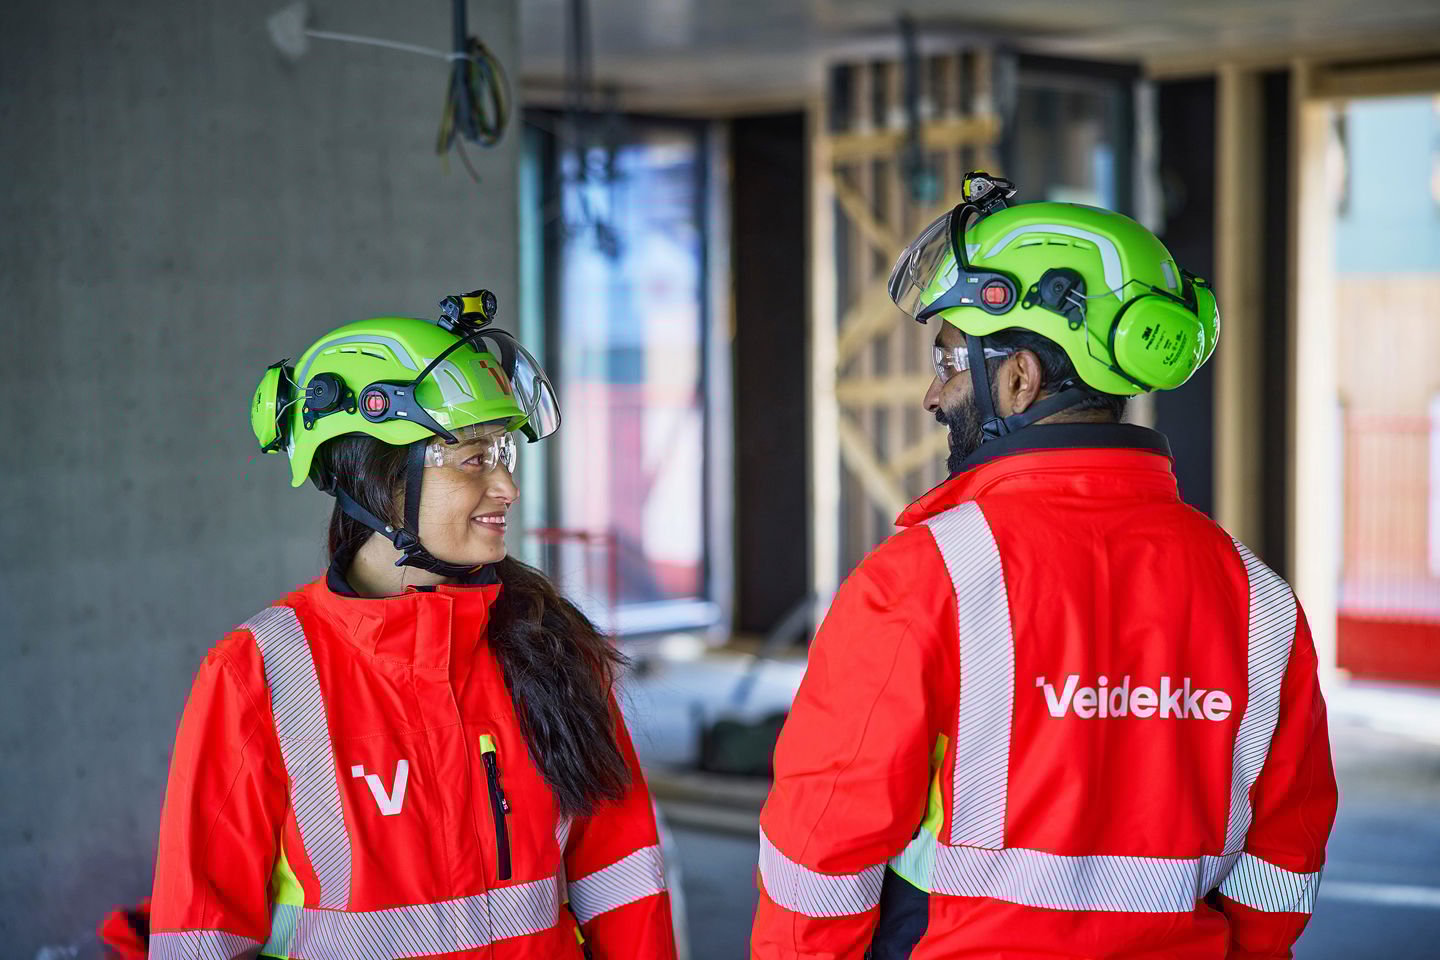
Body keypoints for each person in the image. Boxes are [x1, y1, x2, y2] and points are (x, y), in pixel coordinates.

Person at [752, 175, 1337, 959]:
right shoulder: (1258, 599)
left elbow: (819, 861)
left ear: (1020, 376)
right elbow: (1281, 869)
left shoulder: (922, 580)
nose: (933, 393)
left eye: (952, 359)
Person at [149, 291, 677, 959]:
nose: (507, 488)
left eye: (504, 454)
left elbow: (625, 886)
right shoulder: (258, 675)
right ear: (378, 478)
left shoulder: (555, 645)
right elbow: (198, 937)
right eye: (472, 459)